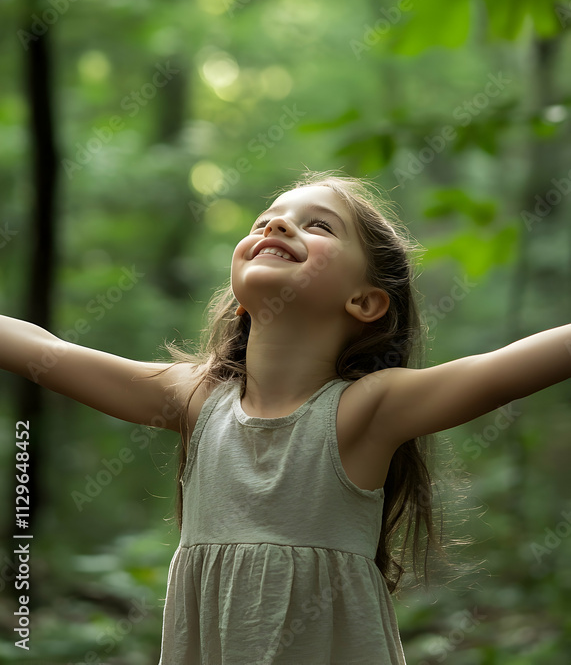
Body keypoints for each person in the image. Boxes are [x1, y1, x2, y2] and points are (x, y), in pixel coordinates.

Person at [2, 168, 570, 664]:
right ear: (240, 298)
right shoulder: (198, 400)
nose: (275, 226)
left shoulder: (366, 411)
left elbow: (498, 370)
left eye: (318, 225)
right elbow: (47, 352)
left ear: (365, 301)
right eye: (263, 222)